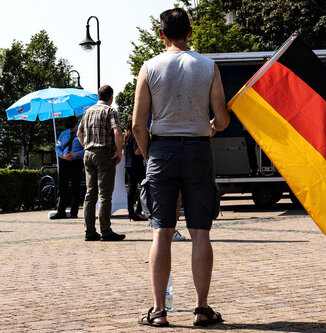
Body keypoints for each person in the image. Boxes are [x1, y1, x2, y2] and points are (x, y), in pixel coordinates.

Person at [133, 8, 230, 327]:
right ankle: (202, 309)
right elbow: (223, 119)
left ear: (161, 34)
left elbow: (137, 125)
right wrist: (212, 126)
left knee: (161, 230)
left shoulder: (148, 68)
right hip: (199, 150)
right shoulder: (208, 65)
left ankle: (159, 311)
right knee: (201, 231)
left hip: (162, 150)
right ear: (190, 32)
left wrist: (152, 159)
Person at [77, 85, 125, 242]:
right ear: (111, 97)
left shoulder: (88, 111)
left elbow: (79, 133)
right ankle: (106, 230)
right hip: (104, 154)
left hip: (88, 154)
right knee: (104, 194)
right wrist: (118, 151)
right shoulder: (110, 111)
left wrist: (87, 147)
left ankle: (89, 231)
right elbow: (117, 131)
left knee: (90, 194)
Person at [51, 116, 85, 219]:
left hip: (76, 162)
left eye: (72, 127)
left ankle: (74, 212)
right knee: (62, 187)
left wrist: (76, 154)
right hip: (64, 162)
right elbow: (57, 147)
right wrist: (62, 155)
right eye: (69, 127)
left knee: (76, 187)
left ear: (76, 124)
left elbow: (87, 148)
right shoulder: (63, 134)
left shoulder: (82, 134)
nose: (70, 129)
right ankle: (60, 211)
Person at [123, 119, 147, 221]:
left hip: (128, 164)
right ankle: (138, 211)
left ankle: (131, 212)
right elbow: (137, 151)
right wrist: (145, 148)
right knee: (144, 187)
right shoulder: (136, 135)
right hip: (137, 164)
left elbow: (124, 152)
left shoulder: (127, 135)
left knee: (132, 189)